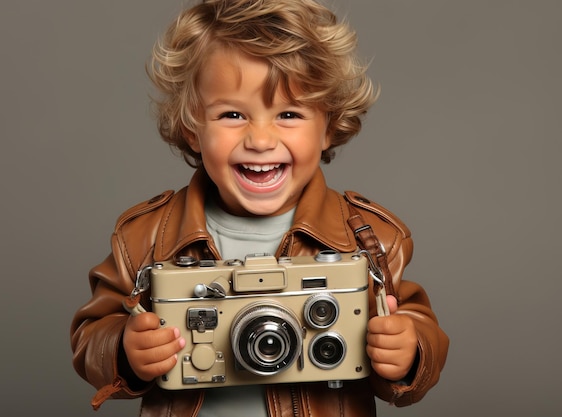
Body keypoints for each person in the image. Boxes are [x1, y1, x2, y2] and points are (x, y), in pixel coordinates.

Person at [70, 0, 449, 416]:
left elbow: (416, 331)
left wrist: (408, 352)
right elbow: (92, 335)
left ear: (329, 124)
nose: (261, 139)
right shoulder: (146, 237)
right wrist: (124, 349)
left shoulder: (369, 239)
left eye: (288, 114)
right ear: (192, 128)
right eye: (232, 114)